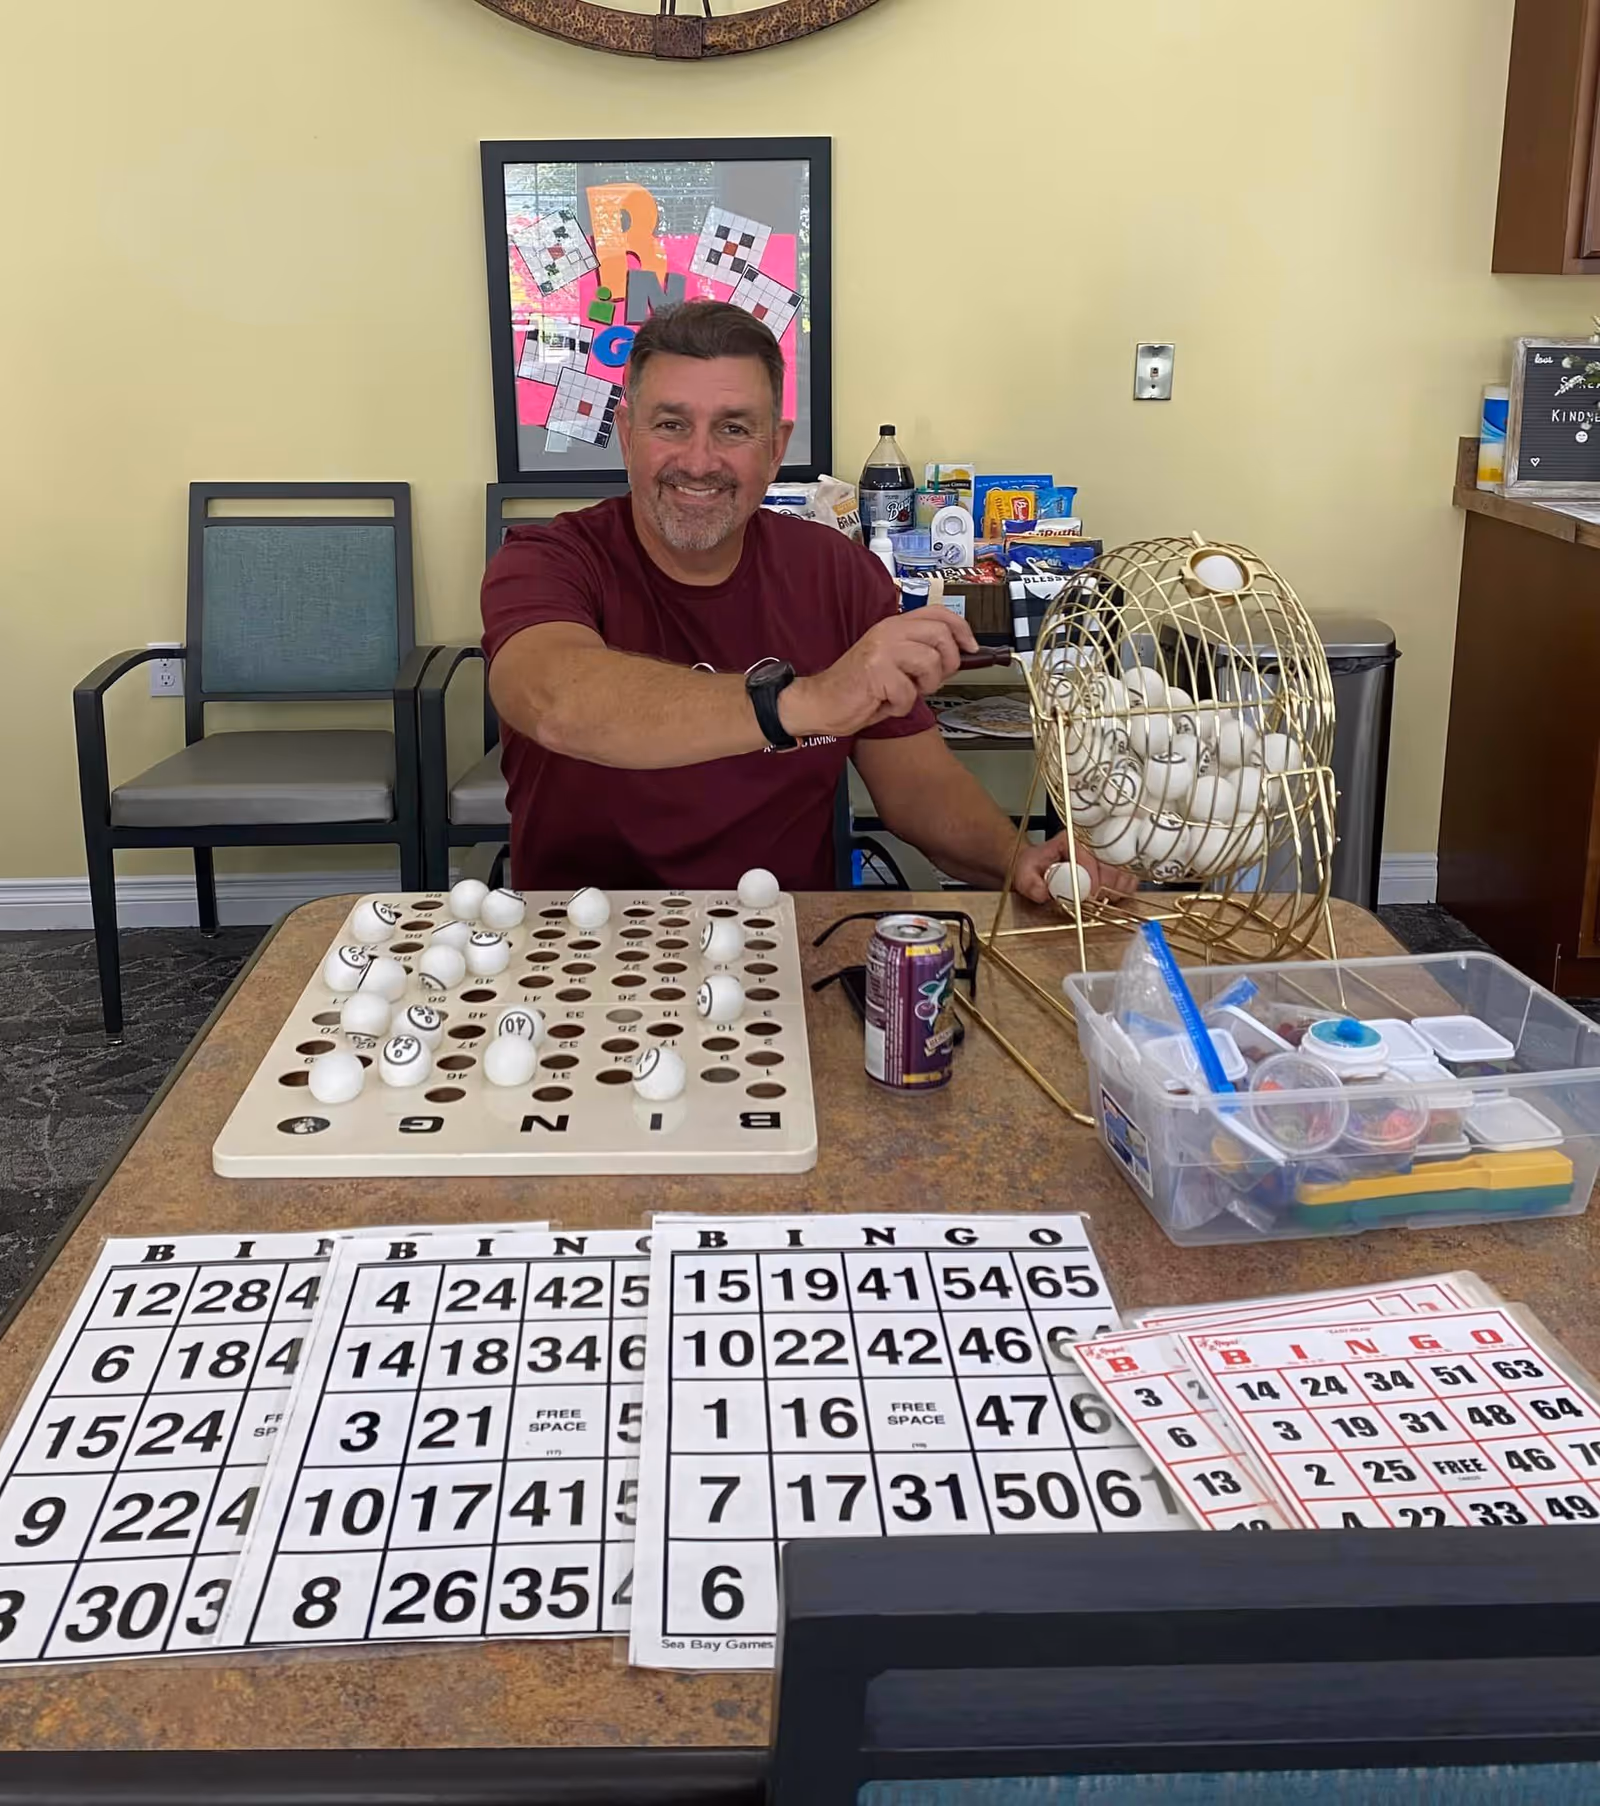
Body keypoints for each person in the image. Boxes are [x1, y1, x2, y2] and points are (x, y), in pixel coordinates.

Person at [482, 300, 1129, 901]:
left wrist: (1015, 860)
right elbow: (556, 701)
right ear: (626, 433)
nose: (699, 460)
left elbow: (915, 787)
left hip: (787, 944)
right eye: (671, 425)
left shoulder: (838, 572)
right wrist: (806, 701)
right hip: (578, 951)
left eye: (734, 429)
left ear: (775, 447)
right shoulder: (547, 561)